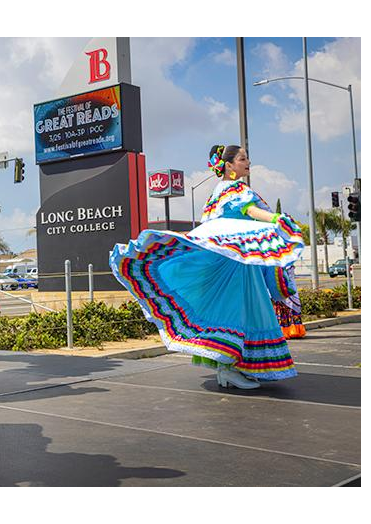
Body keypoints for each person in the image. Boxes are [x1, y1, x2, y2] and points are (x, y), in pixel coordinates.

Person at [110, 144, 304, 389]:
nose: (248, 162)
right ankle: (228, 368)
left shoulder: (217, 192)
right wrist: (277, 218)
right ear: (230, 166)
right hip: (235, 264)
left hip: (234, 258)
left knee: (239, 311)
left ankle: (234, 367)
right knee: (237, 310)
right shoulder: (235, 188)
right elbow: (250, 210)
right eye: (243, 159)